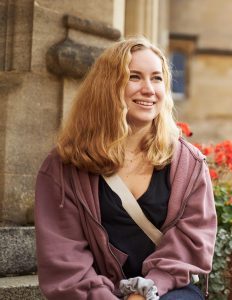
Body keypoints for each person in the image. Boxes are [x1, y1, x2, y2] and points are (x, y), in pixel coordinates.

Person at [34, 37, 217, 300]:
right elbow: (64, 256)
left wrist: (142, 293)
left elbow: (191, 242)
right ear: (107, 86)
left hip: (166, 290)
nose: (149, 89)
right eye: (134, 77)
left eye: (156, 78)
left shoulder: (188, 164)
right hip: (92, 293)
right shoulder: (64, 167)